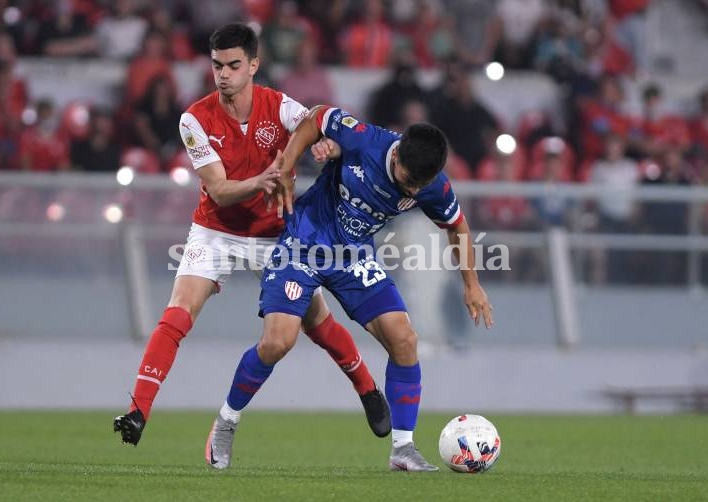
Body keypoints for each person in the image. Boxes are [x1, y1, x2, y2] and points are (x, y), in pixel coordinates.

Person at [114, 23, 389, 447]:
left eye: (233, 65)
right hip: (215, 231)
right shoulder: (194, 118)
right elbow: (220, 191)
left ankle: (368, 390)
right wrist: (263, 179)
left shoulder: (278, 106)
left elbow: (319, 121)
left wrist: (327, 147)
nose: (223, 74)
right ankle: (138, 411)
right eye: (217, 65)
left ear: (254, 65)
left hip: (275, 234)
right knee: (177, 314)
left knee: (317, 322)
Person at [207, 106, 494, 471]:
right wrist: (286, 172)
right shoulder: (365, 139)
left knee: (404, 340)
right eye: (408, 180)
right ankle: (227, 422)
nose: (413, 189)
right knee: (277, 342)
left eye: (420, 185)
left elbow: (458, 227)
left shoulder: (431, 184)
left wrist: (472, 285)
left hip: (354, 256)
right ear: (398, 151)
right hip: (302, 245)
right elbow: (315, 118)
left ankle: (402, 449)